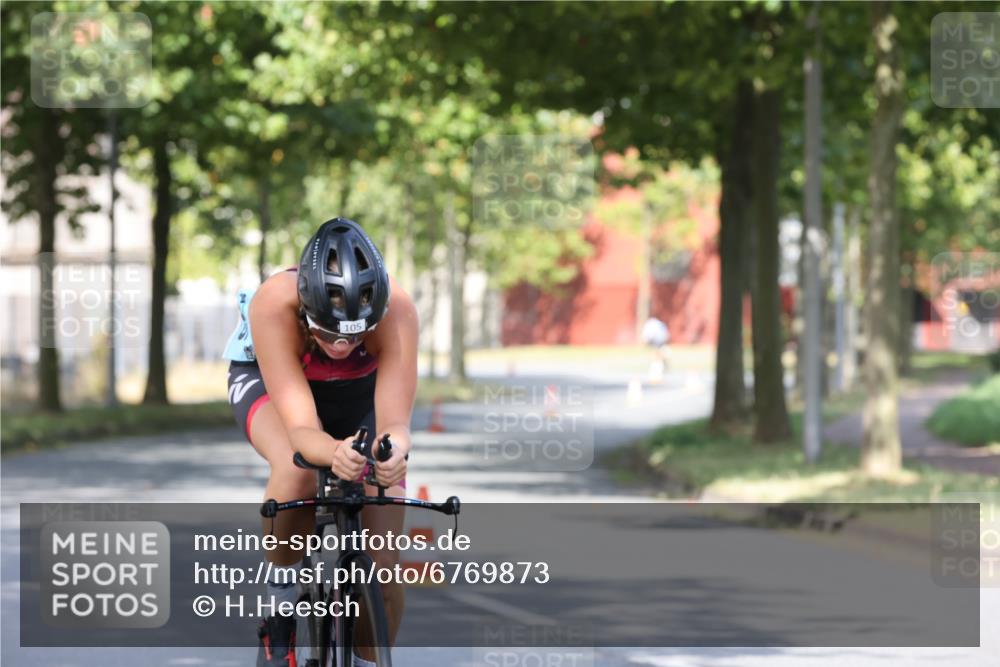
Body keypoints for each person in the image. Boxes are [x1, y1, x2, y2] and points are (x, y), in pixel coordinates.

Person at [223, 217, 418, 667]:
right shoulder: (275, 303)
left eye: (356, 334)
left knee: (385, 572)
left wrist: (392, 454)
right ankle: (281, 602)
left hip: (358, 390)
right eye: (328, 332)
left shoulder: (399, 310)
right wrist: (332, 452)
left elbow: (395, 424)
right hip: (272, 382)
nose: (341, 345)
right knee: (297, 469)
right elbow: (302, 432)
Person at [641, 316, 670, 383]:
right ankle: (657, 375)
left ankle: (655, 375)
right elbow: (665, 334)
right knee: (658, 358)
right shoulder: (658, 324)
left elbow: (645, 335)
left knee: (656, 358)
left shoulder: (650, 323)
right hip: (658, 340)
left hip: (654, 340)